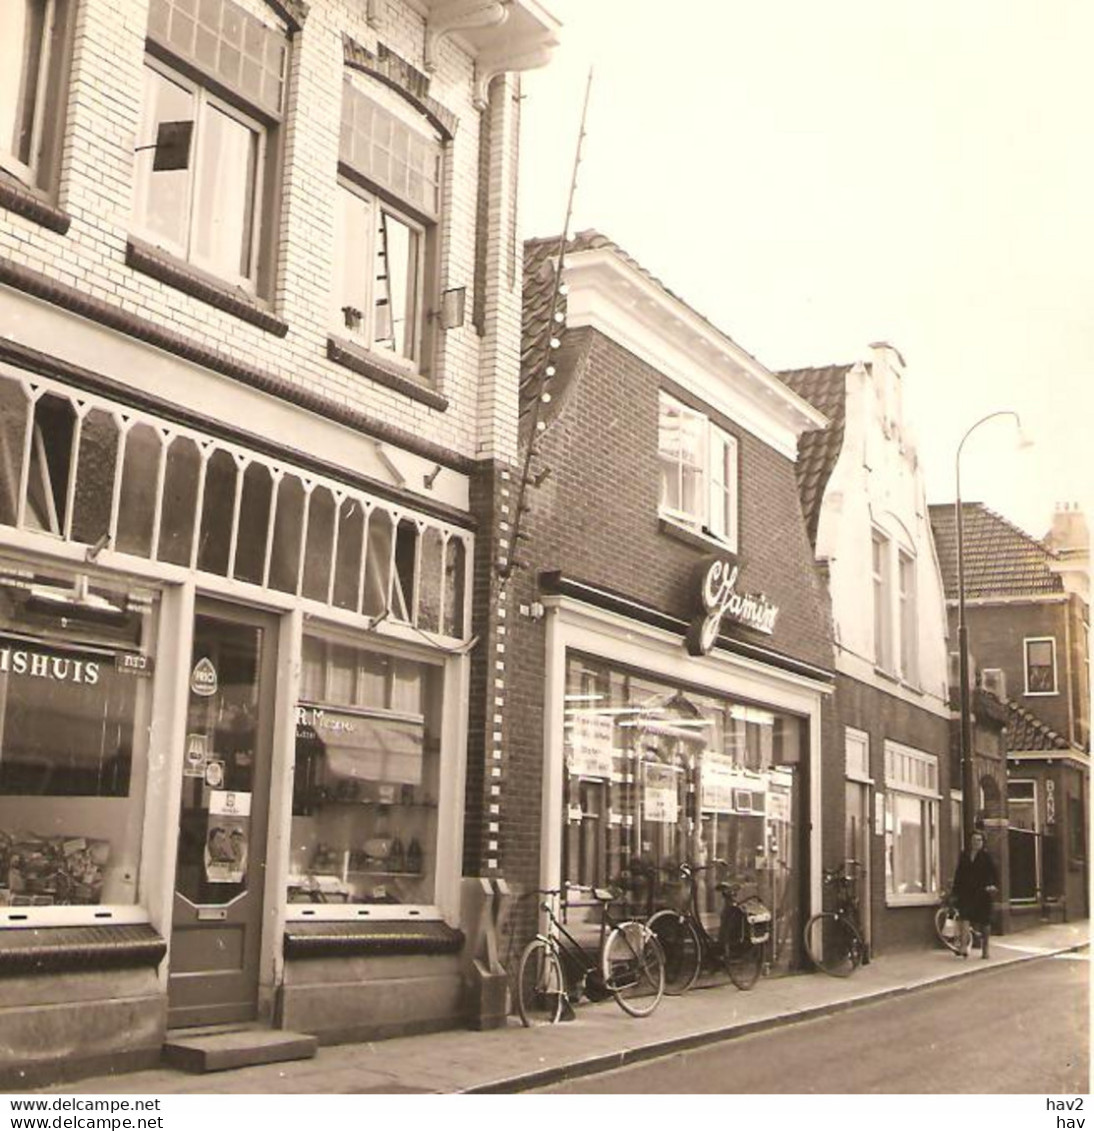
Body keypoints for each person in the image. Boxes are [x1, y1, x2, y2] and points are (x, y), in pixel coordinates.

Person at [951, 829, 998, 958]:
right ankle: (963, 947)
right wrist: (955, 892)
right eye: (974, 840)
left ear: (983, 842)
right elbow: (959, 874)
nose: (976, 842)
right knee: (965, 918)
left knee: (984, 922)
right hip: (966, 892)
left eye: (979, 840)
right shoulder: (965, 855)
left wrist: (991, 885)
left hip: (982, 893)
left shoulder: (986, 857)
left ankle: (985, 949)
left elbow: (993, 874)